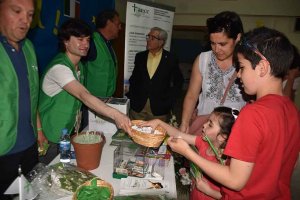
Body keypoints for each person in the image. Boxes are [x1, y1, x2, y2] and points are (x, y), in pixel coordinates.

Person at [167, 27, 300, 199]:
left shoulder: (253, 114)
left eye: (242, 67)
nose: (238, 75)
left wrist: (187, 152)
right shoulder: (291, 111)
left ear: (262, 68)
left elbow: (235, 180)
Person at [39, 18, 131, 145]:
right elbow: (83, 95)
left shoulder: (80, 66)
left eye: (87, 39)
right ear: (66, 41)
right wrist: (116, 115)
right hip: (50, 135)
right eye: (80, 39)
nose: (86, 44)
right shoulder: (59, 68)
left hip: (67, 132)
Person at [0, 0, 47, 198]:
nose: (25, 20)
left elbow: (31, 95)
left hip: (29, 147)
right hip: (3, 150)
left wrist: (39, 130)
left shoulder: (28, 47)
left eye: (29, 14)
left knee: (31, 195)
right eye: (17, 11)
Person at [139, 106, 239, 199]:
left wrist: (209, 191)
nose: (204, 125)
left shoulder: (226, 163)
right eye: (207, 121)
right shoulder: (203, 142)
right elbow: (178, 134)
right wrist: (159, 122)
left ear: (222, 137)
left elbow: (231, 196)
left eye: (210, 124)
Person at [179, 11, 246, 134]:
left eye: (222, 44)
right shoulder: (203, 59)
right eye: (213, 43)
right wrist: (184, 123)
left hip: (235, 131)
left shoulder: (247, 62)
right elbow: (192, 95)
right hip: (204, 128)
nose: (217, 49)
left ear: (237, 37)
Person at [126, 27, 183, 122]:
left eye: (152, 38)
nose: (148, 40)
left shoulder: (171, 59)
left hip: (159, 109)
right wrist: (133, 96)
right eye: (148, 36)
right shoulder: (140, 57)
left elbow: (178, 82)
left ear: (161, 42)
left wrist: (169, 102)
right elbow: (134, 79)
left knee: (156, 135)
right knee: (135, 134)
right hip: (138, 106)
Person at [85, 10, 121, 97]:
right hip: (91, 102)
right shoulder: (91, 41)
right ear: (108, 23)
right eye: (118, 24)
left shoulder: (107, 44)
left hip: (105, 100)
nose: (120, 28)